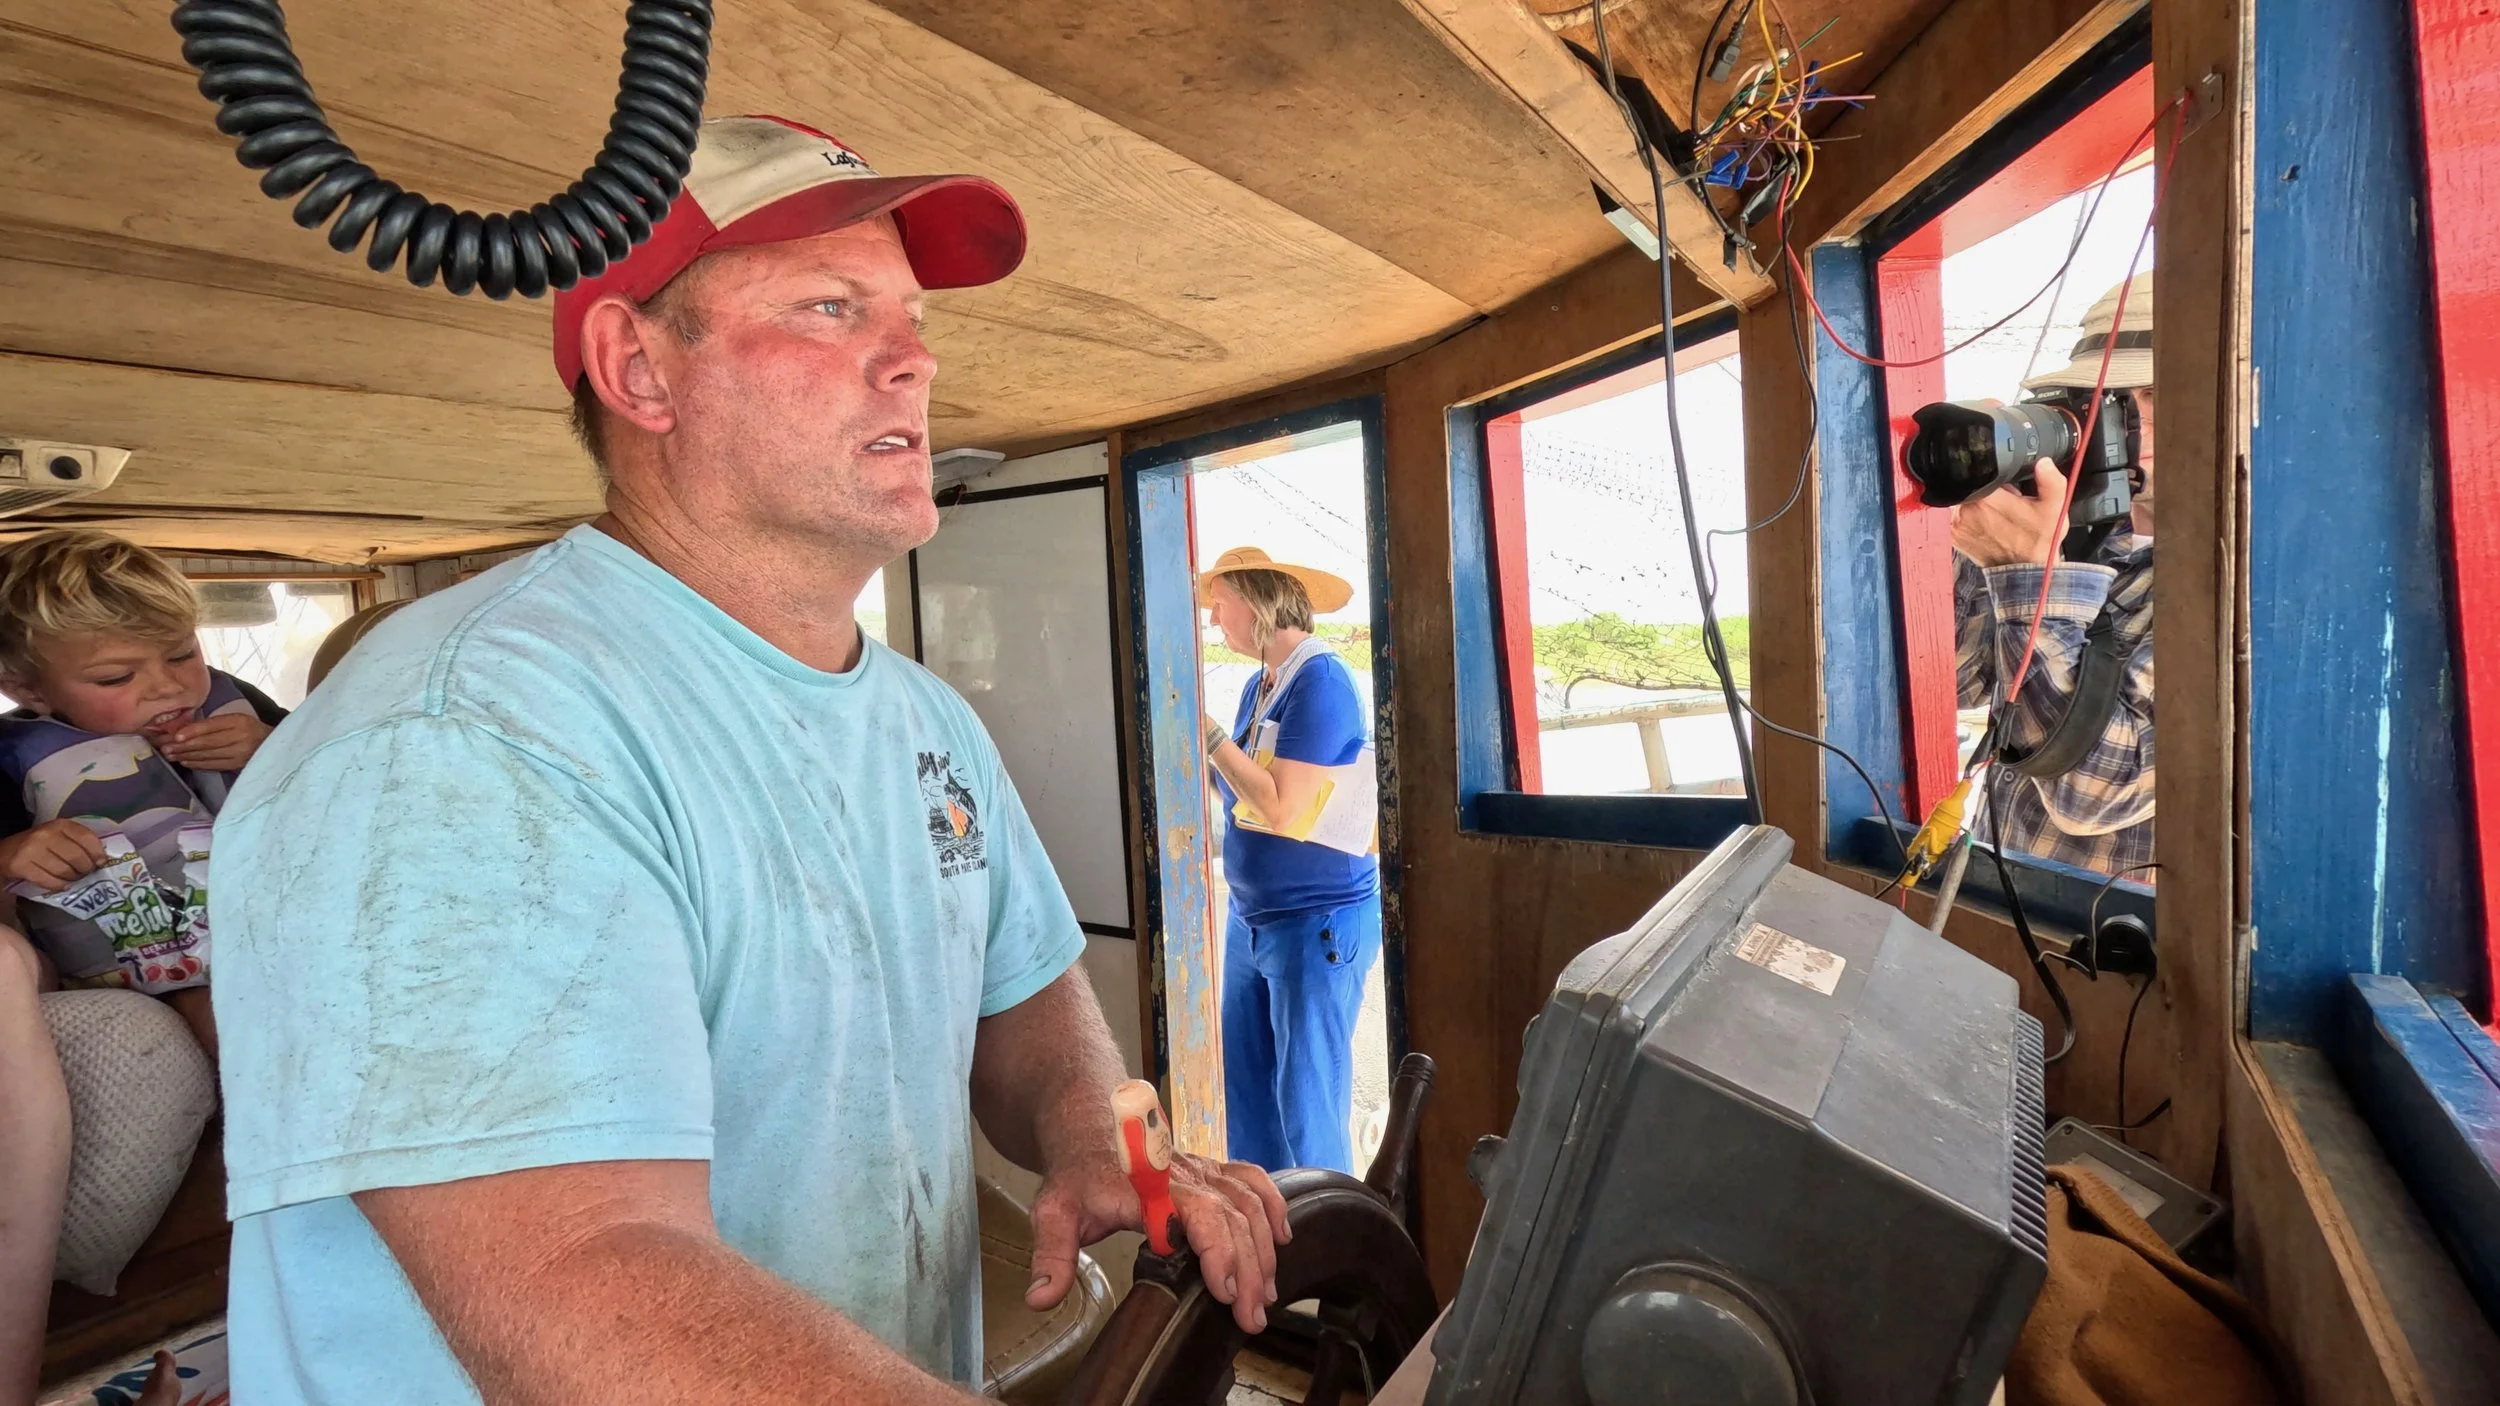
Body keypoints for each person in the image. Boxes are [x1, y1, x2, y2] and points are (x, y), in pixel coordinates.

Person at [208, 115, 1285, 1405]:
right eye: (829, 307)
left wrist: (1094, 1136)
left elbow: (1024, 1001)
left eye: (911, 317)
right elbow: (580, 1278)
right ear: (638, 369)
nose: (914, 360)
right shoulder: (464, 733)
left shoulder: (926, 722)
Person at [1953, 274, 2156, 874]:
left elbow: (2094, 792)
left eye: (2153, 394)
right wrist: (1974, 522)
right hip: (1995, 893)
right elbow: (1957, 684)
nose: (2129, 422)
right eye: (2109, 400)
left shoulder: (2251, 581)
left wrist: (2023, 570)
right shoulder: (2085, 538)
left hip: (2100, 923)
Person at [1198, 547, 1380, 1175]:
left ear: (1256, 603)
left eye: (1220, 605)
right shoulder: (1262, 684)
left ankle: (1330, 1225)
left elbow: (1281, 807)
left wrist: (1208, 733)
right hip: (1253, 917)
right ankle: (1272, 1225)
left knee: (1307, 1108)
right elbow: (1241, 790)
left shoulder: (1321, 680)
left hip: (1314, 921)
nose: (1214, 621)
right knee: (1249, 1100)